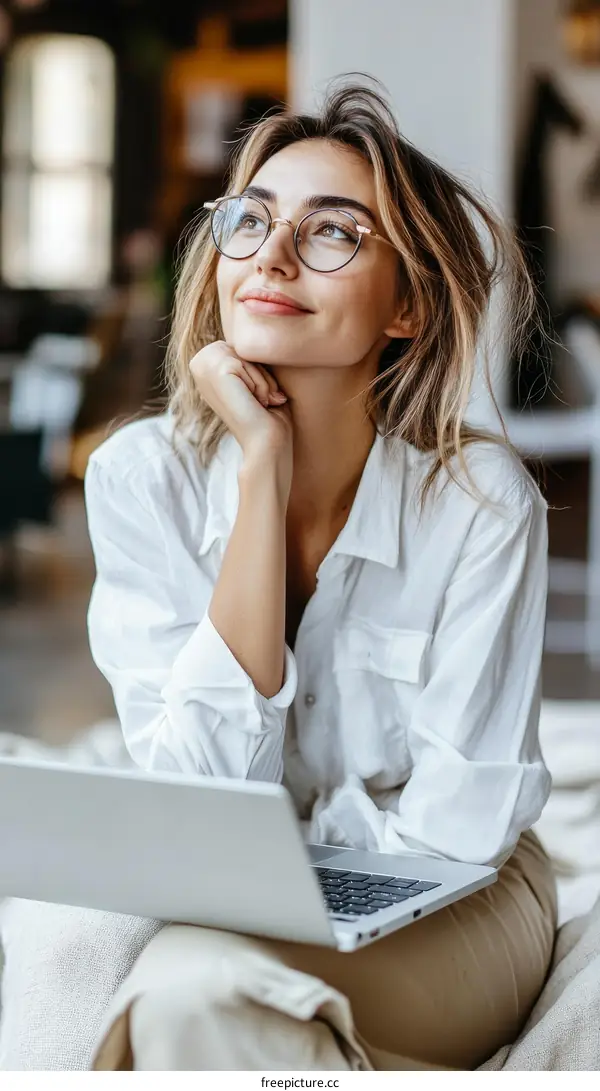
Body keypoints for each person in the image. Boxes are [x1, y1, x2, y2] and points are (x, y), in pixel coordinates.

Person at [83, 81, 557, 1071]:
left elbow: (456, 830)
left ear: (408, 305)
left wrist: (278, 873)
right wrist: (261, 466)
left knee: (192, 988)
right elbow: (191, 793)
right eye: (249, 221)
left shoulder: (479, 502)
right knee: (191, 991)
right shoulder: (144, 477)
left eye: (335, 231)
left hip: (460, 901)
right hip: (246, 898)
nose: (273, 255)